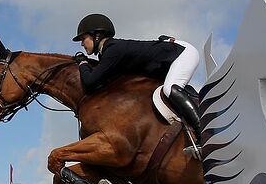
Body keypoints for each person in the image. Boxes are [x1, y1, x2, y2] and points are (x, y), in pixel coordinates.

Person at [72, 13, 201, 146]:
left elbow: (90, 82)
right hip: (168, 58)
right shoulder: (107, 52)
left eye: (84, 38)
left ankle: (202, 133)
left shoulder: (112, 50)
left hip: (183, 53)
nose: (82, 43)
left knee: (169, 89)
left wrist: (83, 64)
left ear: (97, 35)